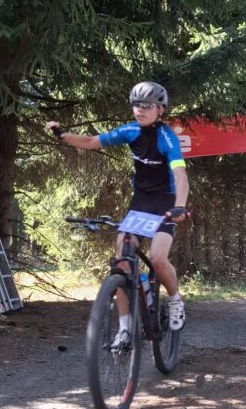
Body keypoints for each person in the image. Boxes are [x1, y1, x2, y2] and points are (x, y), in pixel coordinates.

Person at [45, 81, 189, 344]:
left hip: (165, 202)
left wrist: (180, 205)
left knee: (157, 258)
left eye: (147, 105)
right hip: (140, 202)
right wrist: (62, 135)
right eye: (136, 104)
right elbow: (92, 141)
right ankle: (124, 329)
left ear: (160, 110)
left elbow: (180, 175)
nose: (140, 110)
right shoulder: (130, 131)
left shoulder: (167, 138)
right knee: (121, 263)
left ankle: (175, 299)